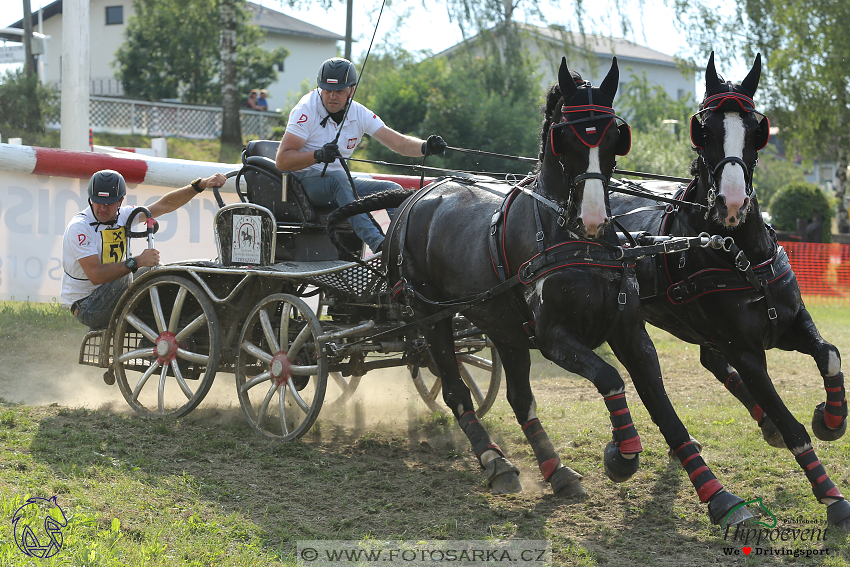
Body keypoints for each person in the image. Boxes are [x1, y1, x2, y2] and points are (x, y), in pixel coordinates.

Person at [275, 57, 447, 253]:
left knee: (393, 189)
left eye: (339, 91)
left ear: (351, 90)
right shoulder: (305, 109)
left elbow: (400, 143)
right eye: (327, 90)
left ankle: (406, 246)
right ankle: (381, 247)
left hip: (340, 184)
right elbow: (282, 161)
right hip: (304, 185)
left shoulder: (359, 113)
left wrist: (426, 147)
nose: (332, 96)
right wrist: (317, 155)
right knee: (338, 178)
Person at [61, 169, 227, 330]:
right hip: (87, 306)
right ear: (90, 199)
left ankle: (162, 335)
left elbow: (164, 205)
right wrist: (137, 261)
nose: (103, 208)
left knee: (161, 275)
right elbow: (96, 275)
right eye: (98, 201)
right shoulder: (79, 228)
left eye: (109, 203)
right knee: (150, 273)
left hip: (108, 293)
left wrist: (200, 185)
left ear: (120, 201)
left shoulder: (124, 215)